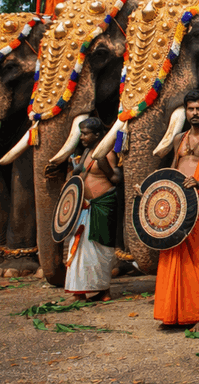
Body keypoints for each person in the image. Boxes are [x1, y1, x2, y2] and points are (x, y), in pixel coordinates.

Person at [150, 89, 199, 331]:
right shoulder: (180, 139)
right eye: (190, 109)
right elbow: (172, 171)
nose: (194, 113)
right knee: (172, 259)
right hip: (178, 207)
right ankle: (172, 314)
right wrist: (150, 189)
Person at [64, 117, 120, 301]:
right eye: (81, 133)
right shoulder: (87, 151)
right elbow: (79, 173)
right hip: (84, 207)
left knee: (99, 248)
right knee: (79, 247)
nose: (82, 137)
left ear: (97, 135)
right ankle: (79, 291)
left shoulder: (109, 153)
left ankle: (103, 290)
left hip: (102, 206)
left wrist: (105, 167)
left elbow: (117, 179)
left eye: (86, 133)